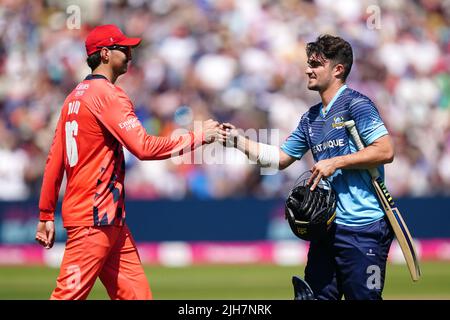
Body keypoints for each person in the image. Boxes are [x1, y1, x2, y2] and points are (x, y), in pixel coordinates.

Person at [35, 24, 219, 300]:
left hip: (108, 220)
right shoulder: (108, 95)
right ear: (106, 54)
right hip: (93, 217)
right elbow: (143, 147)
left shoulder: (73, 98)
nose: (130, 54)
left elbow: (55, 160)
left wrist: (46, 213)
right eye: (124, 49)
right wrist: (198, 137)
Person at [219, 34, 395, 300]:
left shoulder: (357, 105)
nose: (307, 69)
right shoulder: (310, 118)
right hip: (327, 228)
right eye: (308, 63)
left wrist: (336, 162)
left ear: (338, 69)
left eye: (315, 64)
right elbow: (280, 159)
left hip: (363, 228)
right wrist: (237, 141)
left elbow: (385, 150)